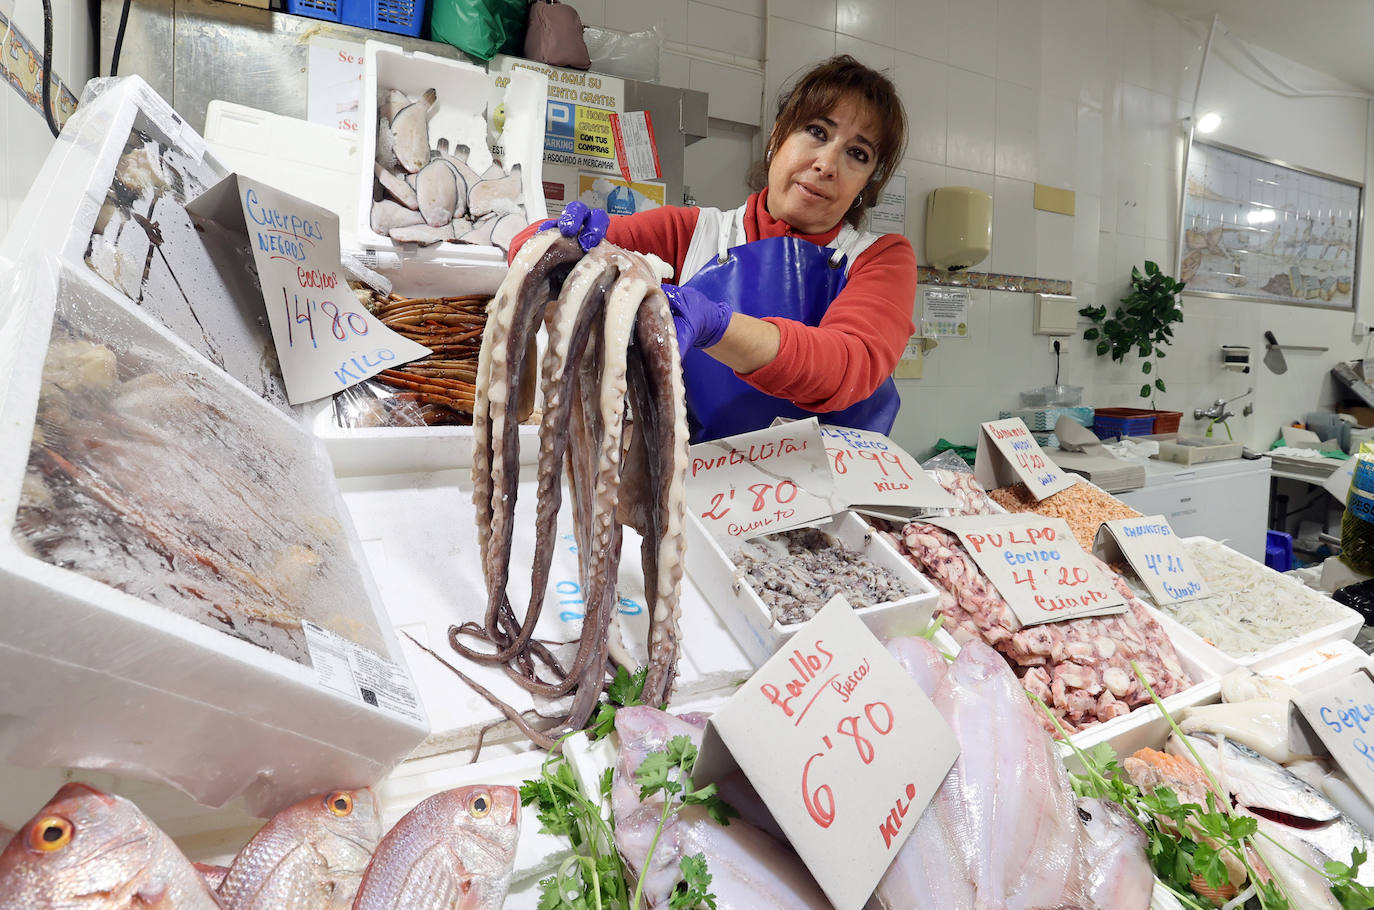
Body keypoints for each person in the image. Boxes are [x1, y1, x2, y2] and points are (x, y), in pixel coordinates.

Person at [512, 55, 915, 443]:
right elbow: (527, 252)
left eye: (857, 154)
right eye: (817, 132)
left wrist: (718, 327)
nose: (827, 164)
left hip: (840, 488)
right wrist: (559, 240)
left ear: (867, 182)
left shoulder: (880, 259)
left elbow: (844, 366)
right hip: (703, 481)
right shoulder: (687, 234)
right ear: (778, 135)